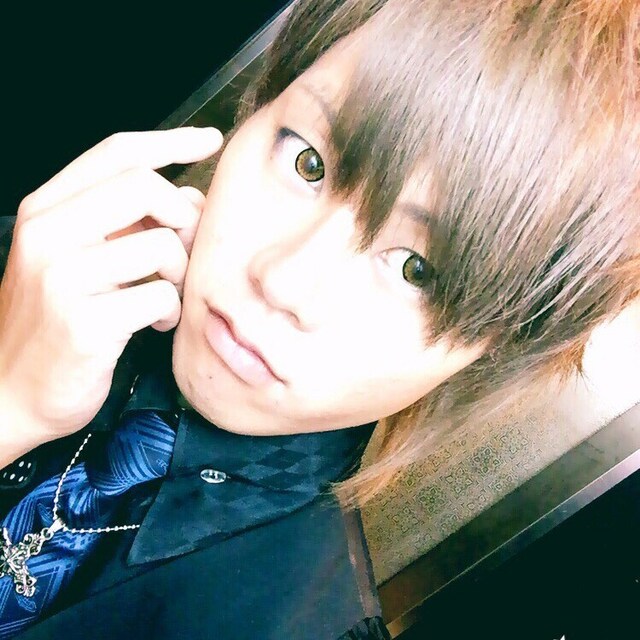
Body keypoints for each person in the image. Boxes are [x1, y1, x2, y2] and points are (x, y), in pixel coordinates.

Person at [1, 0, 638, 638]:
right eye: (309, 162)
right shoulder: (44, 264)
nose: (284, 282)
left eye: (415, 270)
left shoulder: (304, 625)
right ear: (256, 106)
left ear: (486, 356)